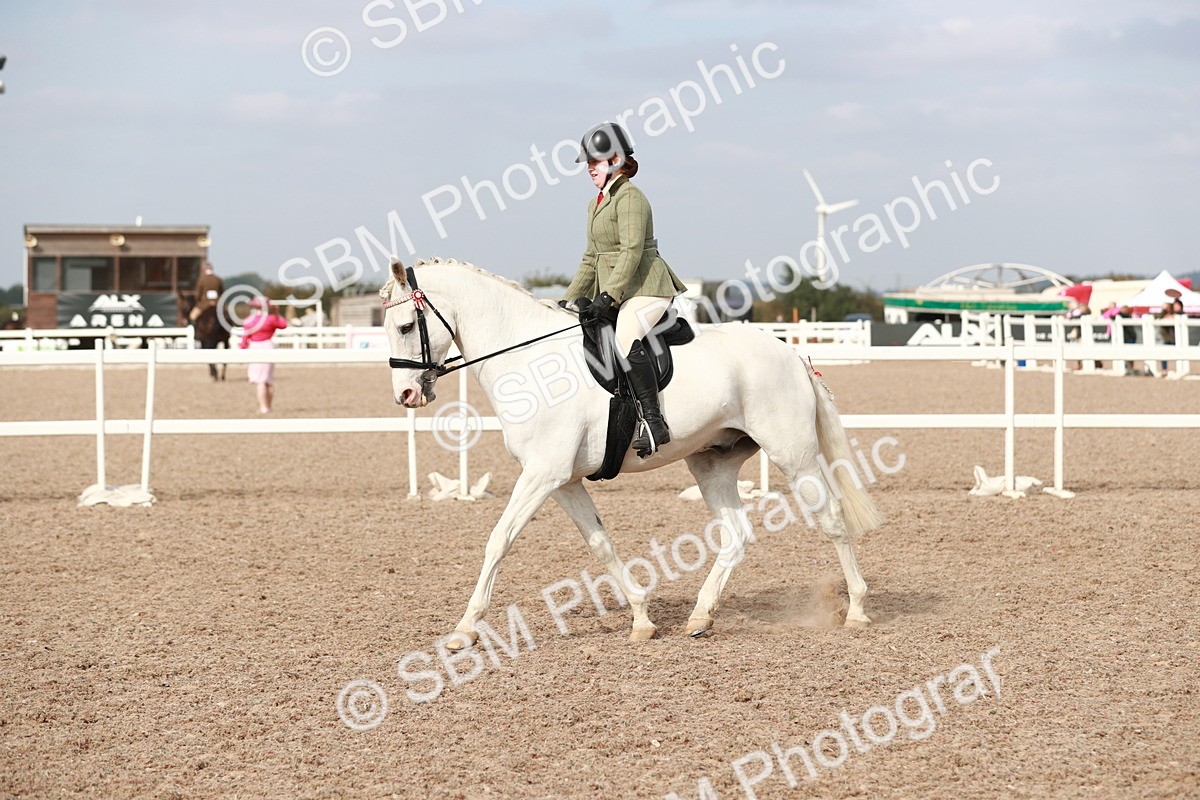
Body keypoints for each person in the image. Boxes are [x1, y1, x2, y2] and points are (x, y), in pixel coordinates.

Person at [561, 121, 687, 457]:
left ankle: (654, 421)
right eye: (587, 163)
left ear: (616, 160)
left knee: (624, 336)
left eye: (594, 162)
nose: (588, 168)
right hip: (622, 289)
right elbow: (592, 257)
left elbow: (631, 251)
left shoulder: (631, 199)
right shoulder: (596, 203)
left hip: (647, 287)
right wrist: (568, 299)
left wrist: (610, 295)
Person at [239, 298, 288, 413]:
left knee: (260, 380)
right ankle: (268, 406)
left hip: (256, 347)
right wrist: (276, 313)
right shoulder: (270, 319)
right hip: (269, 346)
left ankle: (263, 407)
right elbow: (283, 325)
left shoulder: (249, 321)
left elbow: (245, 338)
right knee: (268, 380)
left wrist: (242, 351)